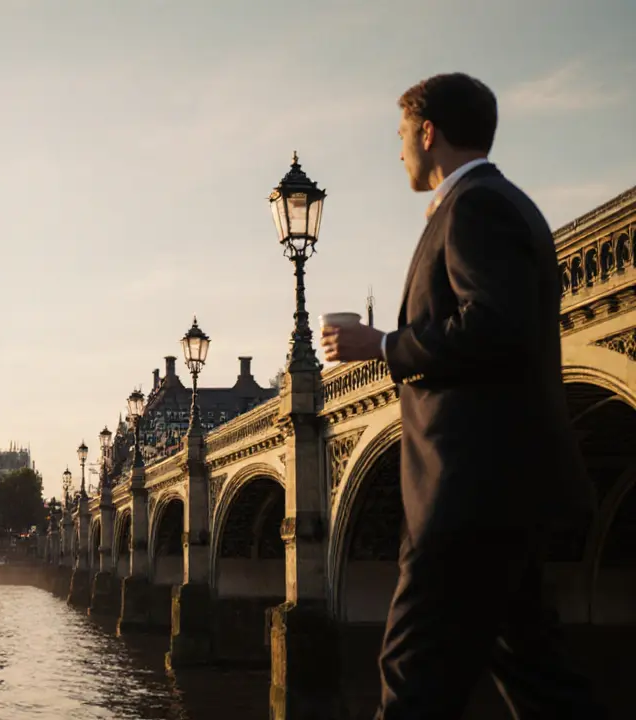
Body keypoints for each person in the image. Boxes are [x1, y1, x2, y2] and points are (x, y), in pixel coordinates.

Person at [320, 73, 604, 718]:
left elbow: (494, 328)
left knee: (411, 679)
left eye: (400, 135)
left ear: (429, 133)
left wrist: (383, 344)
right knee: (539, 679)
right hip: (500, 493)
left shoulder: (475, 207)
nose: (397, 151)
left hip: (466, 493)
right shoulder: (507, 203)